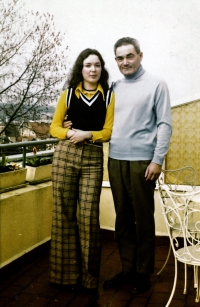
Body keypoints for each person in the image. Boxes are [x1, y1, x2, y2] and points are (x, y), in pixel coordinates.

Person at [103, 37, 172, 294]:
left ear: (140, 56)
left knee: (143, 219)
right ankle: (127, 269)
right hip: (115, 159)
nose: (125, 62)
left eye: (129, 56)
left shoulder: (156, 84)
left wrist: (157, 159)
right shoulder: (114, 87)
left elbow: (164, 124)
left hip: (143, 162)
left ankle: (143, 274)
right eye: (119, 58)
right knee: (123, 219)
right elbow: (102, 121)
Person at [49, 48, 114, 293]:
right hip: (65, 154)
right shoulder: (67, 94)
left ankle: (89, 279)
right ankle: (64, 276)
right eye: (88, 65)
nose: (93, 69)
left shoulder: (108, 96)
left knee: (88, 217)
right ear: (81, 68)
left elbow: (108, 132)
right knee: (63, 215)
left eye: (97, 65)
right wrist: (68, 133)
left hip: (92, 156)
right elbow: (54, 127)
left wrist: (88, 134)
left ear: (101, 68)